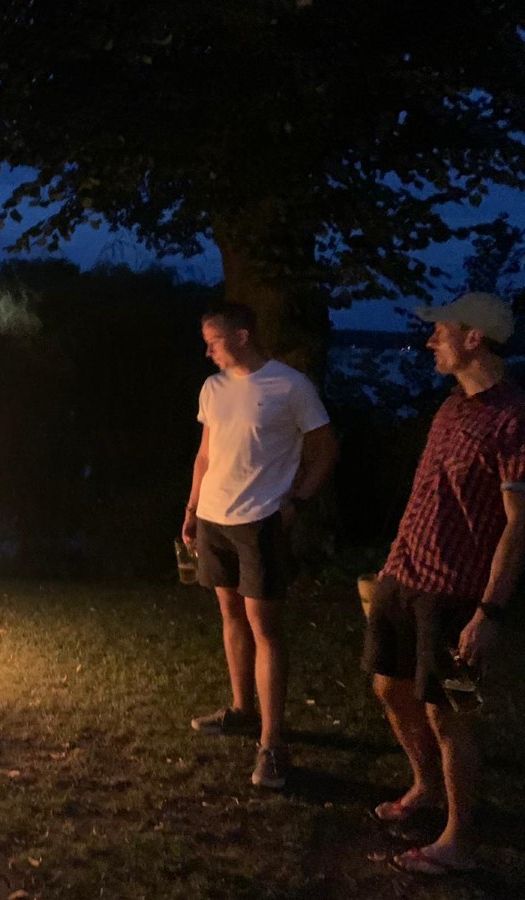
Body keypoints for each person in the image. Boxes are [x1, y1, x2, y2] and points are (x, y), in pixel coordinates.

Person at [363, 291, 524, 877]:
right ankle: (426, 784)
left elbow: (519, 526)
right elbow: (426, 493)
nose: (431, 340)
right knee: (388, 686)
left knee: (448, 714)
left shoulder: (513, 419)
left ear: (474, 339)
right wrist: (390, 567)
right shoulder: (452, 407)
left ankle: (457, 840)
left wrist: (490, 612)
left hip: (456, 593)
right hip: (404, 577)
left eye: (442, 331)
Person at [182, 303, 338, 789]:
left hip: (259, 521)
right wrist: (192, 508)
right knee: (230, 615)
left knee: (264, 627)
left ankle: (272, 743)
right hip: (214, 518)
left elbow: (325, 449)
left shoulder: (290, 386)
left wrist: (298, 500)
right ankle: (241, 709)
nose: (208, 352)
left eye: (214, 341)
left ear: (242, 336)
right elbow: (206, 453)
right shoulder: (214, 388)